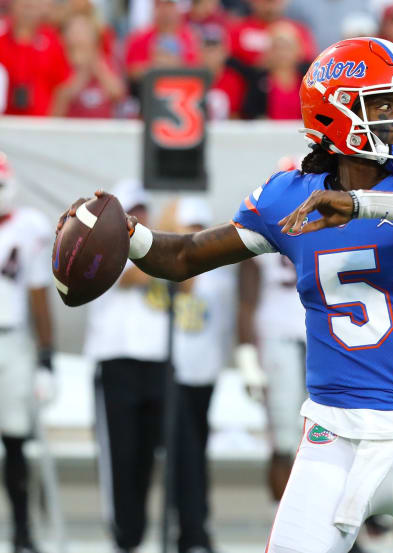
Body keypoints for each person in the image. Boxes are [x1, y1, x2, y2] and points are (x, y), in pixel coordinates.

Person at [59, 36, 393, 553]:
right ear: (333, 112)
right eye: (383, 103)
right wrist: (130, 235)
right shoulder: (288, 195)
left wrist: (363, 204)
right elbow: (185, 257)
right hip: (334, 437)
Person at [83, 179, 169, 553]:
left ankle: (135, 535)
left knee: (147, 454)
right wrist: (174, 245)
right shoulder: (100, 247)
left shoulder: (160, 248)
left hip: (156, 361)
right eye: (132, 211)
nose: (140, 217)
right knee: (119, 453)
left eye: (144, 210)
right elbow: (134, 276)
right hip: (115, 359)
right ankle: (122, 536)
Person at [171, 197, 236, 553]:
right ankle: (191, 530)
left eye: (199, 229)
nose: (194, 236)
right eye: (188, 229)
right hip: (175, 373)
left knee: (194, 452)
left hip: (204, 373)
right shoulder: (171, 268)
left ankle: (195, 528)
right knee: (186, 454)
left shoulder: (220, 275)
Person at [0, 152, 55, 553]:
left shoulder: (28, 226)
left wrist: (45, 358)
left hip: (13, 339)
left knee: (16, 438)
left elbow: (39, 297)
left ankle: (22, 530)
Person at [236, 251, 306, 502]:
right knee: (283, 441)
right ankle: (283, 524)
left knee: (328, 437)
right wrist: (246, 357)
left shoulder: (328, 220)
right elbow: (245, 300)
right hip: (276, 337)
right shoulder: (263, 222)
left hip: (321, 336)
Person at [0, 0, 71, 115]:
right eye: (25, 6)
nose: (28, 12)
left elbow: (62, 86)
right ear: (13, 6)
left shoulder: (52, 41)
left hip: (41, 122)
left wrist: (54, 121)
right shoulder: (1, 37)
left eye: (33, 7)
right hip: (5, 121)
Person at [51, 14, 125, 118]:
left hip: (103, 128)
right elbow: (57, 108)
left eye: (83, 31)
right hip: (73, 128)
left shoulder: (106, 61)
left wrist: (97, 66)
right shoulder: (60, 61)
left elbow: (118, 94)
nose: (79, 36)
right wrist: (82, 73)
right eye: (74, 31)